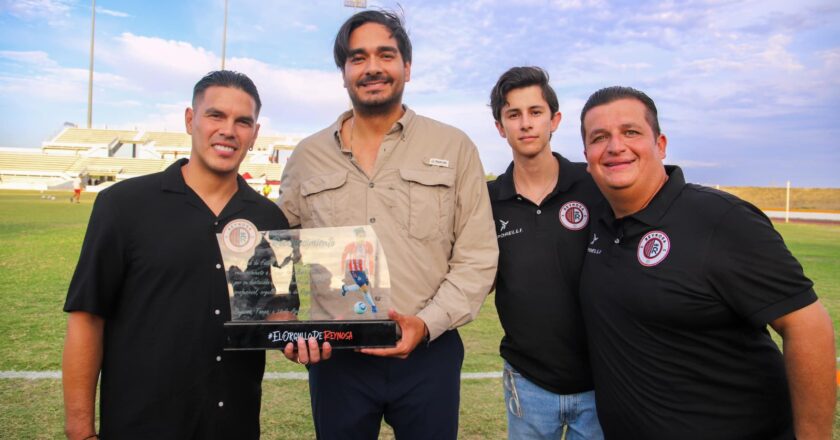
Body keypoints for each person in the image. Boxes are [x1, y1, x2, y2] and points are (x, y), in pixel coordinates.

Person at [61, 70, 327, 440]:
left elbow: (278, 311)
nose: (228, 130)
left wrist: (301, 337)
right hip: (139, 425)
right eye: (215, 115)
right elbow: (87, 319)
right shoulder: (122, 206)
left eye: (242, 121)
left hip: (232, 426)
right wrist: (80, 431)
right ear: (190, 120)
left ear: (255, 133)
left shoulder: (269, 219)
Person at [277, 10, 498, 439]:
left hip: (429, 353)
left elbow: (478, 257)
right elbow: (276, 251)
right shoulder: (307, 156)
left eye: (386, 55)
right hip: (336, 360)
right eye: (358, 58)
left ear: (407, 67)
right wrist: (282, 320)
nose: (372, 67)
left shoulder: (453, 146)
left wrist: (426, 323)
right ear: (343, 72)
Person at [578, 86, 835, 439]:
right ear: (587, 154)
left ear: (661, 144)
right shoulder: (600, 223)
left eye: (631, 132)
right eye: (599, 137)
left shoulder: (720, 219)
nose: (615, 146)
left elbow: (808, 326)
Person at [487, 67, 604, 439]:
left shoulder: (595, 185)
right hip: (528, 381)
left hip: (602, 380)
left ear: (554, 120)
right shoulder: (487, 200)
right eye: (513, 114)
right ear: (499, 126)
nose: (526, 124)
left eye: (535, 112)